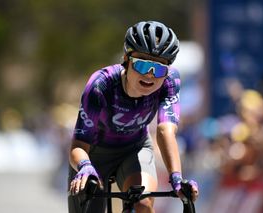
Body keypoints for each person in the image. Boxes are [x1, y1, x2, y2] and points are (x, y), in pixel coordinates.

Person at [68, 20, 199, 213]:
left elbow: (165, 131)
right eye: (143, 65)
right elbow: (79, 145)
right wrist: (85, 166)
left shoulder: (170, 81)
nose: (150, 76)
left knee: (143, 205)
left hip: (134, 149)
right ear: (126, 60)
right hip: (93, 153)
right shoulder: (100, 85)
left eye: (159, 68)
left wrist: (177, 177)